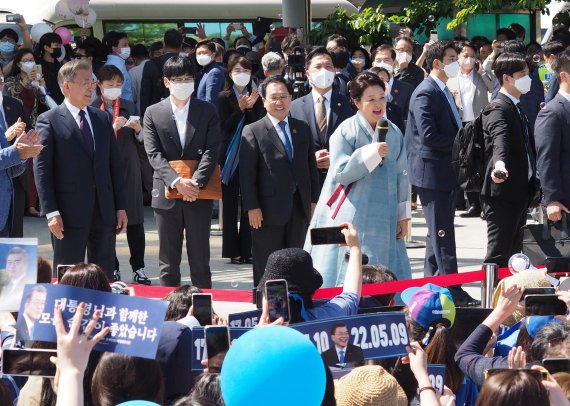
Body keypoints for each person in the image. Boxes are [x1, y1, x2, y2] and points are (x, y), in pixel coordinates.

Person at [305, 72, 411, 287]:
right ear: (356, 102)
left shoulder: (394, 132)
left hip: (386, 213)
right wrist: (371, 153)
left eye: (382, 97)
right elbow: (341, 172)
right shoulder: (345, 131)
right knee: (347, 265)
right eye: (370, 99)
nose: (378, 104)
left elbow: (402, 174)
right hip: (352, 211)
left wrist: (403, 216)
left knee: (385, 264)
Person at [34, 59, 128, 279]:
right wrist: (51, 212)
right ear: (67, 86)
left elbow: (114, 165)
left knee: (102, 273)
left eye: (93, 82)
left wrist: (120, 206)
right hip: (67, 213)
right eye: (85, 82)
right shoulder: (49, 120)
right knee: (69, 273)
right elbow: (42, 170)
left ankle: (100, 311)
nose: (91, 88)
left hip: (104, 210)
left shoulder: (102, 117)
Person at [405, 41, 479, 307]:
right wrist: (462, 142)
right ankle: (453, 289)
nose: (456, 63)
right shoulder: (426, 92)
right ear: (437, 63)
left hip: (443, 171)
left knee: (436, 235)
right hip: (432, 173)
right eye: (451, 58)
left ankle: (432, 288)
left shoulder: (443, 90)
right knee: (443, 234)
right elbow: (429, 135)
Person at [143, 56, 220, 288]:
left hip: (199, 192)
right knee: (168, 260)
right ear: (167, 82)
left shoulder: (207, 111)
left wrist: (195, 183)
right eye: (178, 79)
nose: (184, 83)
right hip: (166, 192)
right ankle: (169, 311)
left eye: (188, 79)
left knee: (200, 260)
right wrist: (177, 181)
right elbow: (153, 153)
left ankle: (205, 308)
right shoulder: (153, 112)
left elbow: (212, 149)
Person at [239, 76, 319, 285]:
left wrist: (313, 202)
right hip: (266, 211)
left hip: (298, 208)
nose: (279, 102)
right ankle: (263, 306)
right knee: (267, 263)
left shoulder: (301, 128)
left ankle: (296, 304)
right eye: (273, 97)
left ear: (291, 98)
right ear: (263, 101)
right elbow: (247, 175)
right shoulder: (253, 130)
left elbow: (310, 168)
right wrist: (252, 207)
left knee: (296, 261)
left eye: (284, 96)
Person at [480, 52, 540, 268]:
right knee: (498, 254)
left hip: (518, 192)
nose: (527, 77)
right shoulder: (498, 107)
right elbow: (500, 139)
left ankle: (511, 299)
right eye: (522, 73)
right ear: (506, 78)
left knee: (514, 255)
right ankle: (492, 298)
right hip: (502, 193)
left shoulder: (515, 105)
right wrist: (500, 165)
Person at [93, 65, 149, 284]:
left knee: (134, 220)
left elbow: (143, 140)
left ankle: (139, 268)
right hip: (102, 170)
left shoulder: (128, 105)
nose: (115, 89)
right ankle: (112, 267)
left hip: (128, 167)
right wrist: (111, 127)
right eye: (110, 85)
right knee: (107, 222)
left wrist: (138, 129)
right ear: (99, 85)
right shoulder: (91, 108)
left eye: (118, 85)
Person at [257, 222, 363, 322]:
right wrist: (354, 247)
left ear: (266, 295)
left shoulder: (255, 332)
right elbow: (350, 297)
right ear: (312, 290)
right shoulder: (322, 317)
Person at [218, 56, 265, 265]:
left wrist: (252, 107)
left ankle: (248, 248)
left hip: (250, 154)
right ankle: (232, 250)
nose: (241, 74)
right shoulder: (223, 97)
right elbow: (225, 126)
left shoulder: (257, 96)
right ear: (230, 73)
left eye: (245, 70)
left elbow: (259, 126)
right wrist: (240, 108)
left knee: (249, 201)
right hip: (229, 155)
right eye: (237, 70)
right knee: (229, 205)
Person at [290, 47, 355, 187]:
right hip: (306, 184)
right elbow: (289, 148)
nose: (323, 71)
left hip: (339, 183)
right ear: (307, 74)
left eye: (328, 67)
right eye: (318, 67)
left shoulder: (347, 104)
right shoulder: (294, 107)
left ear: (334, 72)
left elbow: (355, 142)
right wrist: (310, 160)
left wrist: (337, 158)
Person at [447, 40, 496, 218]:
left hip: (479, 123)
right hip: (460, 124)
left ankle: (484, 204)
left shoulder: (480, 75)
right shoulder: (451, 77)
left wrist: (483, 72)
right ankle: (472, 203)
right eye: (465, 55)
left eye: (472, 56)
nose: (469, 59)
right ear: (458, 58)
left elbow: (493, 87)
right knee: (464, 164)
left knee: (480, 163)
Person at [5, 48, 52, 220]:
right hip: (14, 127)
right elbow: (11, 93)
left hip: (32, 126)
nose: (29, 63)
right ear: (18, 63)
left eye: (32, 59)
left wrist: (42, 87)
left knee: (35, 165)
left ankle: (34, 204)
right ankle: (28, 205)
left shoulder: (36, 81)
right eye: (25, 60)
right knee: (22, 166)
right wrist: (26, 81)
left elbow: (43, 101)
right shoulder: (11, 81)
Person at [535, 50, 570, 222]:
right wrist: (552, 199)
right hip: (565, 201)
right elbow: (546, 158)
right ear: (564, 76)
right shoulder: (552, 112)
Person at [140, 29, 183, 117]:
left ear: (164, 44)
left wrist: (145, 117)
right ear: (181, 46)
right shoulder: (187, 64)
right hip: (182, 111)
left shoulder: (150, 64)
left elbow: (145, 94)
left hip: (157, 113)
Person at [371, 44, 414, 118]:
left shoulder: (407, 89)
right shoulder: (364, 88)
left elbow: (409, 119)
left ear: (394, 64)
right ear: (373, 64)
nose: (382, 64)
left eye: (386, 60)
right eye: (378, 61)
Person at [368, 66, 406, 134]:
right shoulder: (361, 108)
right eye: (381, 80)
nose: (385, 84)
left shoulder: (396, 111)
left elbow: (401, 137)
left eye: (387, 81)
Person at [102, 31, 133, 102]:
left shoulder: (114, 63)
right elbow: (116, 94)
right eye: (124, 45)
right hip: (122, 108)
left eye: (128, 45)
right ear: (114, 48)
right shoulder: (117, 66)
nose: (128, 47)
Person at [35, 32, 64, 104]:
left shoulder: (58, 64)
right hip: (47, 104)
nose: (59, 48)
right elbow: (39, 87)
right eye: (56, 45)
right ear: (46, 47)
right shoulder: (37, 66)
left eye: (60, 45)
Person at [194, 40, 225, 106]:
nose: (201, 56)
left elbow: (210, 101)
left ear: (213, 55)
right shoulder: (204, 71)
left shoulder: (214, 72)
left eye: (205, 53)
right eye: (199, 53)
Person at [128, 43, 150, 112]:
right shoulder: (157, 67)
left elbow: (133, 95)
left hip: (141, 110)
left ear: (134, 59)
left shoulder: (133, 72)